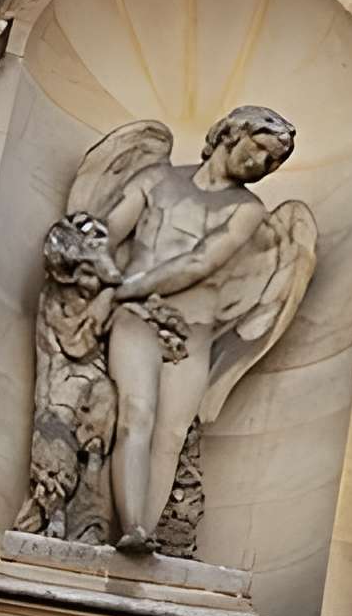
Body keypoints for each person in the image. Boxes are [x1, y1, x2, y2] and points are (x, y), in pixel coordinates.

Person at [97, 106, 297, 554]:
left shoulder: (248, 210)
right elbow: (107, 234)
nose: (261, 164)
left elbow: (203, 261)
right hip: (138, 320)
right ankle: (130, 525)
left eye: (272, 161)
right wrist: (105, 287)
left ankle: (143, 533)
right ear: (231, 134)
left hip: (193, 333)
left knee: (170, 433)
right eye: (260, 148)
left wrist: (124, 290)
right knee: (137, 412)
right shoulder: (156, 180)